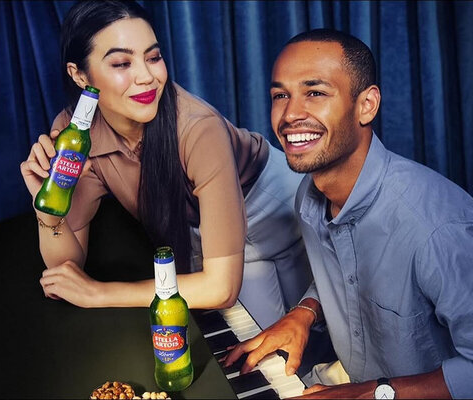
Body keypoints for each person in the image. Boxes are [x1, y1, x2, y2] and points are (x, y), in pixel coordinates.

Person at [224, 29, 473, 398]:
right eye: (281, 95)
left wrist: (367, 394)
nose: (291, 114)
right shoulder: (309, 198)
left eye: (315, 93)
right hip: (351, 376)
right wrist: (306, 311)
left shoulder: (437, 230)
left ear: (366, 105)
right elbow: (347, 272)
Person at [19, 0, 312, 330]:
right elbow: (66, 274)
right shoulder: (74, 136)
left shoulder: (200, 129)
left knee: (303, 335)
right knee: (257, 343)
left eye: (153, 57)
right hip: (208, 230)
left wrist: (100, 293)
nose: (146, 77)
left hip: (271, 206)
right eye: (122, 63)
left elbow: (221, 289)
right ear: (79, 74)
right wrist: (49, 211)